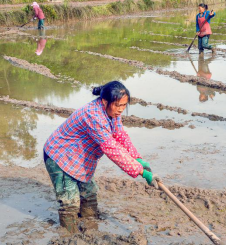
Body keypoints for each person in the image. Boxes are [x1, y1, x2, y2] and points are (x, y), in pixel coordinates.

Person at [43, 81, 157, 233]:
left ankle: (90, 229)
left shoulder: (112, 112)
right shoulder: (94, 116)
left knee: (89, 194)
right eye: (118, 105)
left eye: (124, 105)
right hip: (61, 156)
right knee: (70, 202)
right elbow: (110, 148)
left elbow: (119, 135)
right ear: (105, 101)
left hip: (80, 157)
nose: (121, 109)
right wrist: (140, 171)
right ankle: (68, 237)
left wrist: (136, 158)